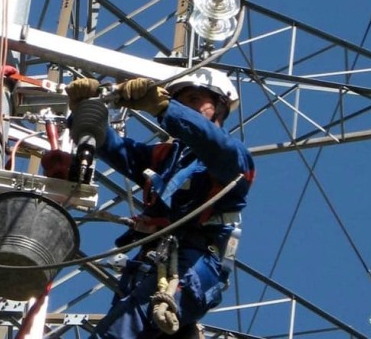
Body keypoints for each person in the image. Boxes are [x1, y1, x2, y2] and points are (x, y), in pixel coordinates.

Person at [64, 68, 255, 338]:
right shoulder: (169, 156)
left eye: (193, 99)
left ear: (221, 105)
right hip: (149, 268)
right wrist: (84, 113)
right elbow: (118, 149)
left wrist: (166, 107)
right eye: (180, 100)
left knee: (117, 332)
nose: (185, 106)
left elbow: (213, 144)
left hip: (192, 268)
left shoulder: (231, 157)